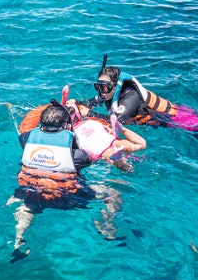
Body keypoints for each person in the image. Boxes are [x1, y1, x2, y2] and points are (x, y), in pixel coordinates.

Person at [10, 101, 124, 261]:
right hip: (67, 197)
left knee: (27, 208)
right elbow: (92, 158)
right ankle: (108, 225)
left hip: (34, 193)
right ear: (67, 127)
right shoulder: (78, 156)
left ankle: (18, 239)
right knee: (112, 193)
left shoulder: (25, 140)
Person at [85, 61, 198, 140]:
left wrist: (89, 115)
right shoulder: (110, 95)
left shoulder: (131, 98)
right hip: (176, 110)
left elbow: (117, 121)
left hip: (176, 119)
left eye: (105, 87)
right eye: (98, 87)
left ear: (116, 86)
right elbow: (91, 103)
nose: (101, 92)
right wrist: (76, 106)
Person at [65, 99, 146, 172]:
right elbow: (106, 128)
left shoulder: (70, 134)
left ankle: (119, 162)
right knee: (141, 144)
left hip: (101, 151)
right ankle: (122, 129)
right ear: (78, 114)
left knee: (128, 169)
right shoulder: (90, 121)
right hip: (111, 140)